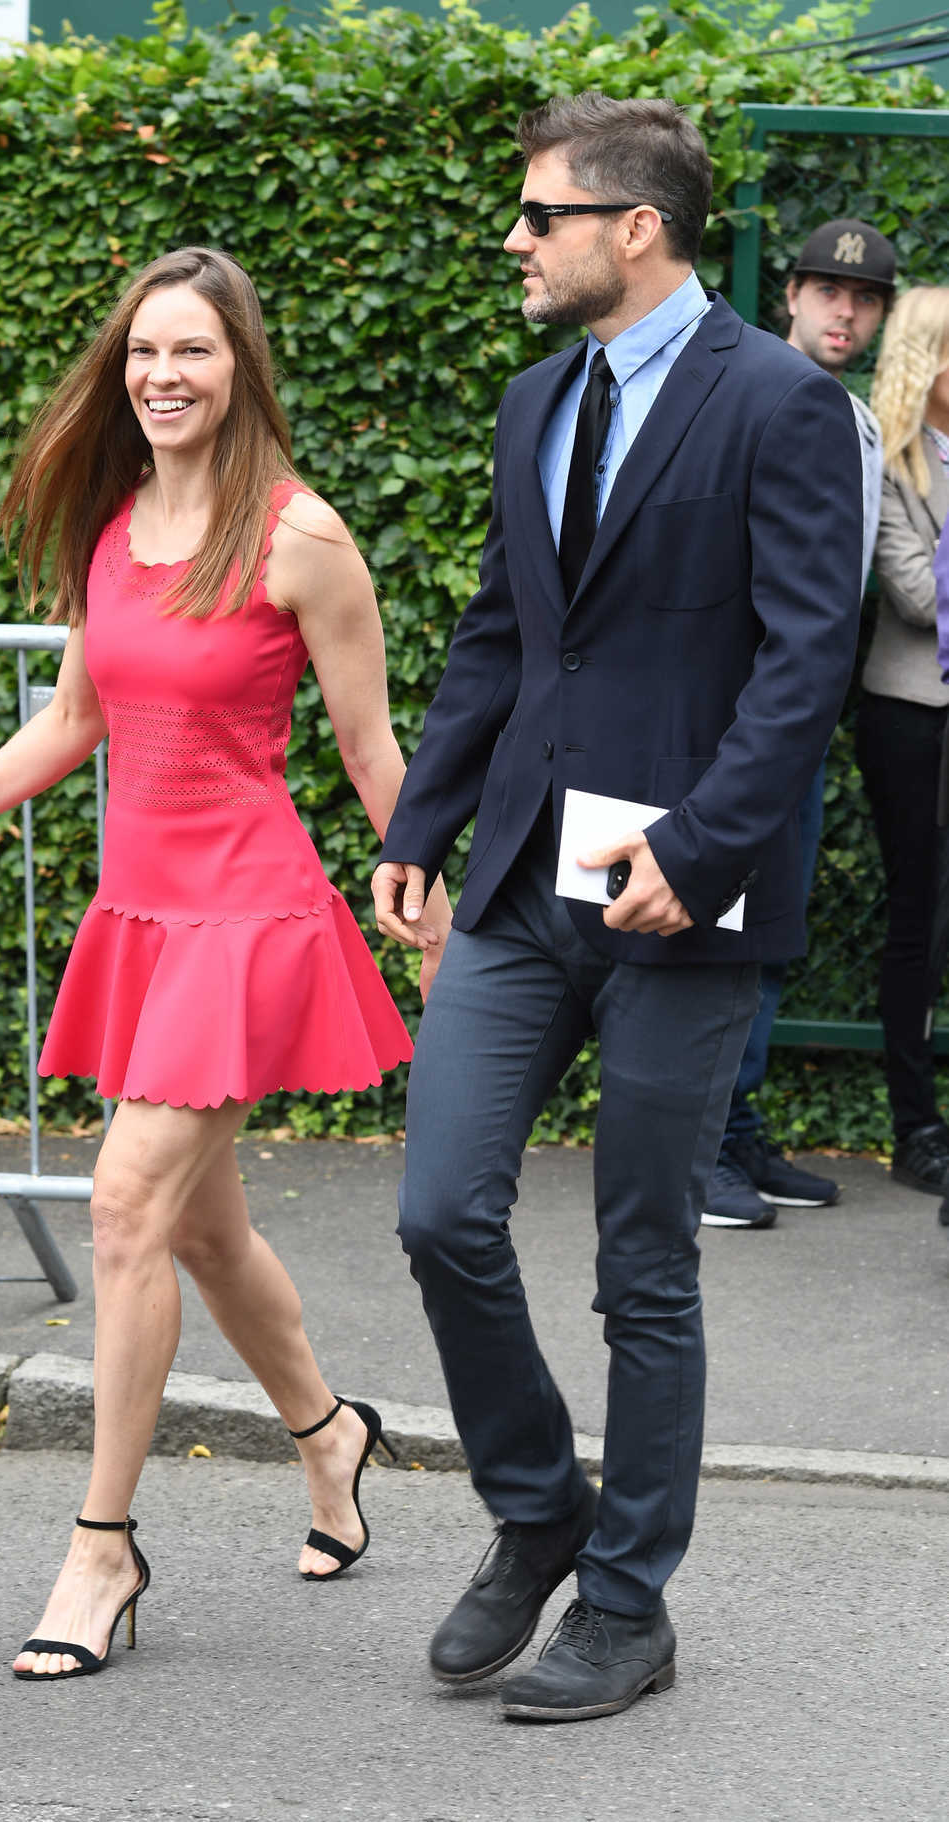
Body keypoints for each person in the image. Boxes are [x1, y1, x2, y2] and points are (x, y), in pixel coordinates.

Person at [0, 246, 448, 1681]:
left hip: (248, 919)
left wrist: (444, 912)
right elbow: (75, 717)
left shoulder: (298, 536)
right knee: (196, 1226)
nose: (161, 375)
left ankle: (101, 1544)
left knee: (126, 1205)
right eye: (143, 352)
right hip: (142, 915)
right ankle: (331, 1433)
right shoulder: (114, 526)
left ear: (239, 365)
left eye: (190, 350)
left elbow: (372, 747)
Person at [372, 93, 862, 1722]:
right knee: (442, 1208)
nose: (516, 239)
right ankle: (538, 1512)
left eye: (541, 214)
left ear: (633, 229)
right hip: (524, 878)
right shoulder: (534, 403)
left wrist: (707, 844)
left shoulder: (782, 402)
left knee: (643, 1256)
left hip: (683, 899)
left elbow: (807, 660)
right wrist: (426, 819)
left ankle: (630, 1600)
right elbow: (506, 632)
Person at [702, 217, 897, 1229]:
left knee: (770, 934)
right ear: (789, 294)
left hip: (803, 722)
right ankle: (702, 1152)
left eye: (863, 298)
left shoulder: (856, 422)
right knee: (722, 932)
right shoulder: (752, 397)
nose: (844, 309)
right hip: (746, 719)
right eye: (827, 289)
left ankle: (735, 1129)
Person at [855, 287, 949, 1196]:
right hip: (914, 715)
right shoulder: (889, 464)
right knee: (920, 922)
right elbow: (921, 598)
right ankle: (916, 1125)